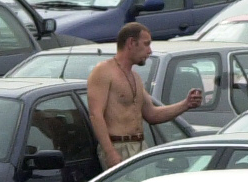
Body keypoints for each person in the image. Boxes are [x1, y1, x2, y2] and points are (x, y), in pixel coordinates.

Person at [87, 22, 203, 168]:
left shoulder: (135, 77)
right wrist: (110, 152)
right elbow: (95, 115)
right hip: (118, 146)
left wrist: (186, 104)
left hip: (140, 146)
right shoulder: (103, 71)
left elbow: (152, 115)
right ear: (131, 43)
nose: (149, 51)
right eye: (146, 44)